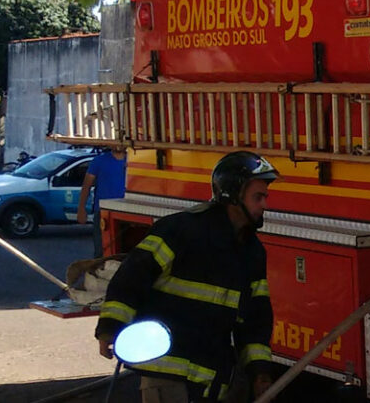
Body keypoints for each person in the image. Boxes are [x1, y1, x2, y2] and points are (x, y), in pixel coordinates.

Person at [95, 151, 279, 403]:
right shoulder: (181, 230)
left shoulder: (251, 252)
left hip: (210, 381)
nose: (264, 205)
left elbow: (256, 319)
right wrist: (110, 328)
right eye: (258, 197)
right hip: (166, 377)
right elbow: (132, 276)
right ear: (233, 194)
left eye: (264, 197)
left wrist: (260, 373)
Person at [77, 146, 127, 257]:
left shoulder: (132, 162)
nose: (118, 145)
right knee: (101, 250)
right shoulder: (99, 161)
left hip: (126, 213)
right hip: (102, 212)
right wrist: (81, 209)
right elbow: (86, 185)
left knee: (123, 250)